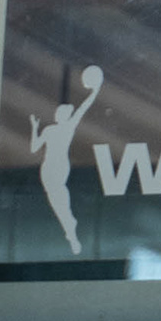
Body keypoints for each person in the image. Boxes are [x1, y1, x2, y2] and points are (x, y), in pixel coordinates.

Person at [29, 65, 104, 255]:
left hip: (60, 167)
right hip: (48, 168)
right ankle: (69, 225)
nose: (59, 114)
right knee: (56, 197)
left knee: (58, 195)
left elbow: (83, 109)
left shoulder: (67, 127)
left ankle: (70, 226)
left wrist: (95, 92)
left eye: (62, 112)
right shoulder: (50, 130)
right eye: (59, 112)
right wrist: (34, 128)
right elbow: (34, 148)